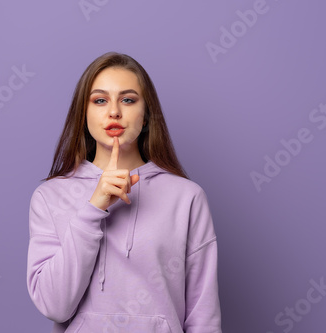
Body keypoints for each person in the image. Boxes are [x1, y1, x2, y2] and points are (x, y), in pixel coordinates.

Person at [27, 51, 222, 332]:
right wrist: (94, 207)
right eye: (100, 100)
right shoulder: (50, 196)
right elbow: (54, 306)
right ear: (84, 115)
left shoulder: (187, 197)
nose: (114, 111)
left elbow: (204, 316)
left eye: (128, 100)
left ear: (146, 117)